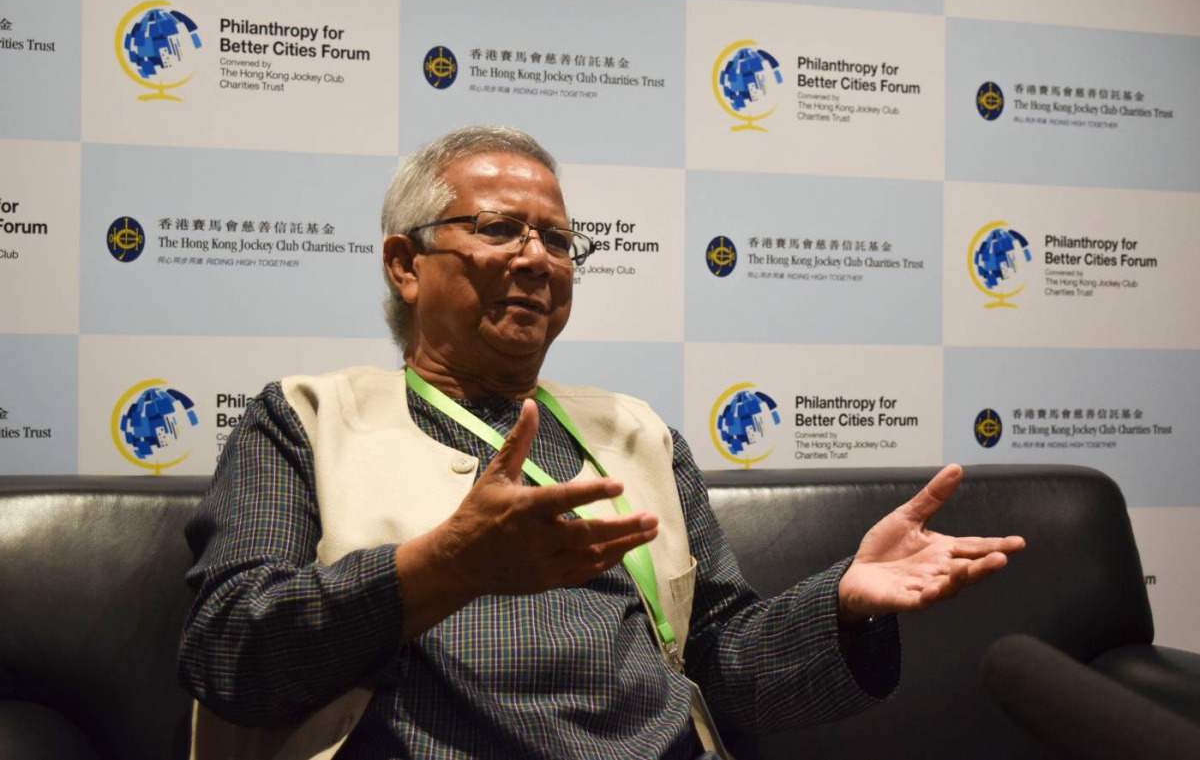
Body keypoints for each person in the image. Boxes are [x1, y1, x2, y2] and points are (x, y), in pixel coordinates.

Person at [179, 126, 1025, 760]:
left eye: (556, 239)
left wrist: (844, 601)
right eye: (501, 228)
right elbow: (228, 653)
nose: (538, 258)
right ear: (406, 263)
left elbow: (723, 665)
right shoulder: (304, 418)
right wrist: (443, 568)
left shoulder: (635, 432)